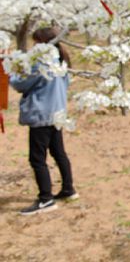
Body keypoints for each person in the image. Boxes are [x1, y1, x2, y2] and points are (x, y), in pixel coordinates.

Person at [10, 27, 78, 216]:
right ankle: (68, 189)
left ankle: (45, 199)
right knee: (58, 152)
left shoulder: (40, 62)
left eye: (36, 42)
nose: (34, 47)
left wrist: (12, 73)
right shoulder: (61, 60)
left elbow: (19, 84)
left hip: (42, 115)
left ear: (43, 43)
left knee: (37, 158)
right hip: (57, 112)